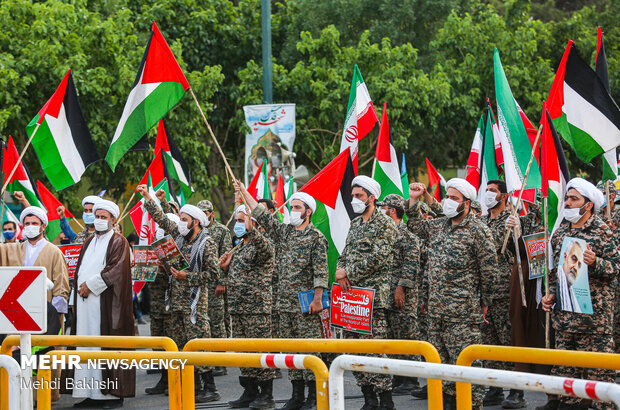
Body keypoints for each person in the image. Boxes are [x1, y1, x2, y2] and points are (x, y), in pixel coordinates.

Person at [236, 180, 329, 410]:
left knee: (309, 350)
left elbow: (321, 271)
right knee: (292, 352)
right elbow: (261, 213)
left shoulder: (315, 237)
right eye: (292, 207)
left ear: (308, 212)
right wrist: (243, 191)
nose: (293, 211)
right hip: (284, 304)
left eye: (298, 208)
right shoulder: (284, 232)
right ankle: (297, 396)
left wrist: (318, 299)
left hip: (306, 305)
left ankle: (313, 398)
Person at [408, 179, 497, 409]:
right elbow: (415, 227)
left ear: (467, 204)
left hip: (463, 314)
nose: (448, 202)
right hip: (437, 312)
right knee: (442, 364)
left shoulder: (478, 230)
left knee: (466, 365)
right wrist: (415, 200)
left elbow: (489, 270)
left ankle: (472, 405)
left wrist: (485, 302)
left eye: (454, 198)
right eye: (447, 197)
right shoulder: (439, 225)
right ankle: (448, 402)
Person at [541, 178, 619, 410]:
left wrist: (597, 262)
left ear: (588, 205)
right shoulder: (560, 232)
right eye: (567, 198)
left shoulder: (603, 231)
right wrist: (551, 295)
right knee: (567, 382)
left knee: (600, 383)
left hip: (595, 321)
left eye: (574, 199)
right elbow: (558, 272)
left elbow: (616, 268)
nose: (568, 202)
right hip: (565, 320)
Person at [138, 185, 221, 403]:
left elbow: (213, 274)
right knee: (182, 346)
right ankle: (192, 386)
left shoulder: (206, 242)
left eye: (184, 219)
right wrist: (147, 197)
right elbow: (163, 220)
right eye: (180, 218)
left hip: (195, 306)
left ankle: (210, 388)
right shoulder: (181, 237)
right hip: (176, 303)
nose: (180, 223)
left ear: (196, 221)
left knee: (199, 345)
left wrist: (188, 277)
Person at [335, 175, 398, 410]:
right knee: (354, 349)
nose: (355, 200)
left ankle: (386, 400)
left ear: (372, 198)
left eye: (359, 195)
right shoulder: (356, 223)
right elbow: (346, 252)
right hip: (350, 298)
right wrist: (341, 269)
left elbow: (378, 257)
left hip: (372, 298)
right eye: (353, 195)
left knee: (374, 350)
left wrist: (347, 272)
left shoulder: (385, 224)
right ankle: (368, 397)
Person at [70, 200, 135, 408]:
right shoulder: (89, 242)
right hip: (85, 306)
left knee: (106, 347)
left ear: (113, 220)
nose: (98, 220)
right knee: (86, 347)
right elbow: (79, 270)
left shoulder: (119, 241)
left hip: (106, 306)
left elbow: (116, 270)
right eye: (96, 216)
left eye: (103, 217)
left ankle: (112, 395)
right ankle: (90, 393)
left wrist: (90, 285)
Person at [481, 179, 540, 409]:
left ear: (504, 196)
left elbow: (523, 250)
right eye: (486, 190)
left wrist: (516, 232)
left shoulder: (515, 220)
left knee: (512, 341)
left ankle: (517, 391)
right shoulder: (480, 221)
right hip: (486, 293)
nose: (487, 194)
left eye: (493, 191)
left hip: (507, 291)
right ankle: (494, 387)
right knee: (490, 344)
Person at [220, 204, 276, 409]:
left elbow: (266, 249)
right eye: (237, 220)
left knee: (260, 350)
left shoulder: (263, 245)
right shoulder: (240, 246)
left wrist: (252, 228)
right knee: (244, 353)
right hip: (238, 308)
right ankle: (250, 391)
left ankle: (266, 394)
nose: (238, 224)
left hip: (257, 308)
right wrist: (226, 269)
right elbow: (237, 276)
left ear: (254, 224)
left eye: (242, 220)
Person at [379, 194, 422, 396]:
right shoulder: (384, 234)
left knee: (407, 334)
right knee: (392, 336)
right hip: (385, 293)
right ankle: (398, 376)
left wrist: (401, 288)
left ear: (393, 210)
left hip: (402, 294)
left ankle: (411, 378)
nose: (381, 211)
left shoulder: (407, 235)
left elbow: (411, 264)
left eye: (384, 207)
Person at [197, 199, 232, 377]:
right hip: (201, 283)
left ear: (212, 213)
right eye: (200, 211)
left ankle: (220, 361)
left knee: (218, 321)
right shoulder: (197, 231)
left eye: (206, 211)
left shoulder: (222, 231)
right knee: (205, 322)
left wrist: (222, 282)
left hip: (216, 282)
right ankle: (208, 358)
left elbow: (227, 257)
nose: (204, 214)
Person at [145, 213, 179, 395]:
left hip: (172, 304)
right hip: (156, 304)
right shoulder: (153, 246)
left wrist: (162, 267)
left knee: (172, 345)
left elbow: (178, 274)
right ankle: (164, 379)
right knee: (158, 344)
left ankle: (174, 380)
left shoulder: (177, 248)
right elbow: (146, 277)